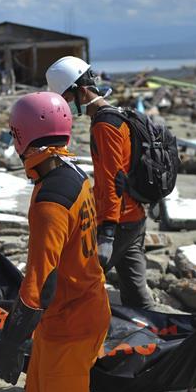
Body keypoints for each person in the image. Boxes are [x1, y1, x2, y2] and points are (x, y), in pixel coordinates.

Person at [0, 91, 168, 392]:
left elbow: (39, 283)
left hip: (74, 318)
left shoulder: (49, 199)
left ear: (22, 136)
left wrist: (9, 341)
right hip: (70, 311)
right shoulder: (72, 174)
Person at [45, 56, 154, 309]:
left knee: (78, 286)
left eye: (67, 99)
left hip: (119, 223)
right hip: (135, 217)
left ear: (81, 91)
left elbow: (112, 180)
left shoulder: (104, 126)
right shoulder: (118, 115)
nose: (67, 107)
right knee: (136, 295)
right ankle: (154, 337)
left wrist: (106, 233)